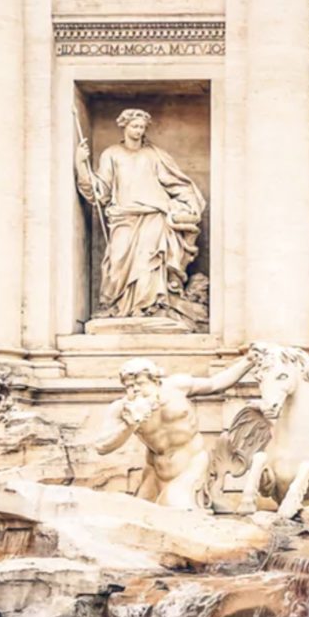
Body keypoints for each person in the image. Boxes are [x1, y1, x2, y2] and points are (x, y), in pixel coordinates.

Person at [78, 110, 207, 321]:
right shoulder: (111, 154)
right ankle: (117, 306)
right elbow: (100, 191)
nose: (138, 131)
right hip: (123, 217)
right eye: (134, 126)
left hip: (154, 216)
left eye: (141, 127)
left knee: (150, 264)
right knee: (117, 261)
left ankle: (151, 308)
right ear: (124, 126)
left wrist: (188, 203)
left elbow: (176, 184)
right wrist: (81, 164)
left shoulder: (154, 155)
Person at [88, 353, 254, 509]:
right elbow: (102, 446)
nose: (135, 390)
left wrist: (248, 361)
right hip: (155, 471)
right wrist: (130, 425)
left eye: (141, 383)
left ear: (156, 381)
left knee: (174, 508)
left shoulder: (177, 387)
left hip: (191, 464)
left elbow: (215, 384)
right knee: (140, 514)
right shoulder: (122, 409)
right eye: (129, 386)